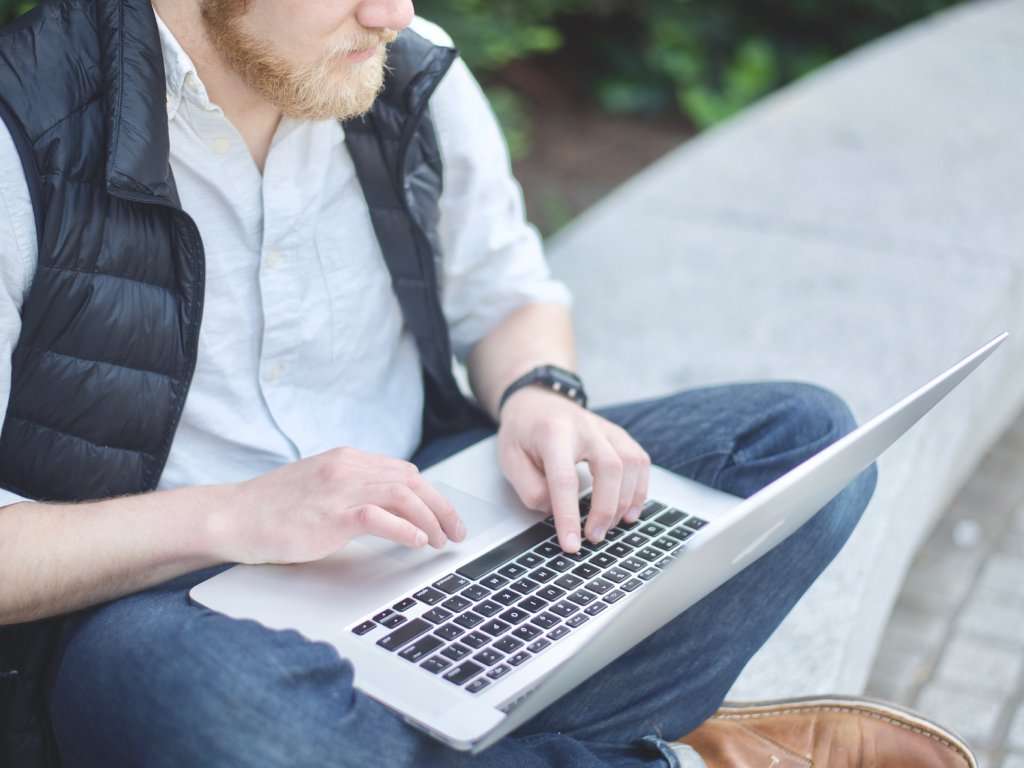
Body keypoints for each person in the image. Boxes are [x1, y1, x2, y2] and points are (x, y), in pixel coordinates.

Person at [0, 1, 975, 766]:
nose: (390, 11)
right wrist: (235, 517)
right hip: (172, 600)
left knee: (799, 444)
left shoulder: (399, 60)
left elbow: (507, 293)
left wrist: (541, 394)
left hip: (428, 517)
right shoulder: (22, 133)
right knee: (192, 705)